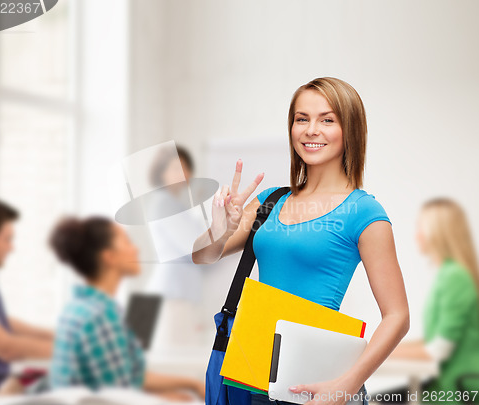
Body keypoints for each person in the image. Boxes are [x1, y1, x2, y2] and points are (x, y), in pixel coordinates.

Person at [192, 77, 410, 405]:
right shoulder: (270, 201)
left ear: (349, 129)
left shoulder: (363, 211)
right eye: (301, 119)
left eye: (327, 119)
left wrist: (348, 384)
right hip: (253, 374)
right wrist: (221, 228)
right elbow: (202, 257)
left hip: (318, 383)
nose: (311, 130)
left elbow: (398, 316)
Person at [48, 216, 205, 402]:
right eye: (126, 242)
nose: (136, 249)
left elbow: (130, 377)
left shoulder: (81, 307)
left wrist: (190, 384)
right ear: (109, 257)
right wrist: (173, 398)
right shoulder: (101, 316)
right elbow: (119, 396)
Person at [385, 198, 479, 404]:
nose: (416, 235)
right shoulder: (448, 273)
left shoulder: (455, 277)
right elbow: (432, 341)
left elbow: (437, 350)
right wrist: (377, 349)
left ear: (438, 233)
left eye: (421, 227)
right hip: (445, 385)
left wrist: (375, 353)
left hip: (458, 389)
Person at [0, 198, 53, 393]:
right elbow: (5, 348)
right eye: (7, 239)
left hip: (0, 380)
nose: (11, 248)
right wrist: (71, 350)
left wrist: (54, 335)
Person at [145, 144, 208, 349]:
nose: (184, 174)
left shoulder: (173, 204)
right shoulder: (165, 204)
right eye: (175, 168)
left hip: (175, 294)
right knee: (176, 364)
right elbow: (194, 247)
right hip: (172, 296)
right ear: (161, 172)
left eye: (186, 167)